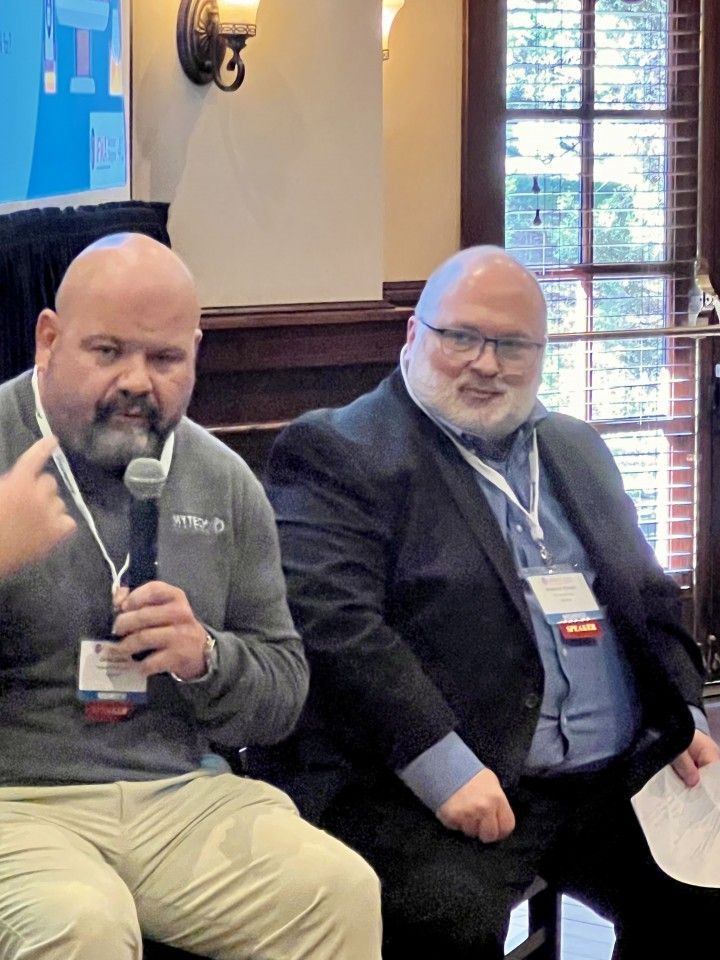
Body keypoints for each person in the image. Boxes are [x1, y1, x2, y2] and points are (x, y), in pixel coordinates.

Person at [258, 245, 720, 959]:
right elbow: (335, 626)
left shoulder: (574, 447)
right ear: (414, 334)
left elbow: (648, 596)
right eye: (462, 336)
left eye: (511, 344)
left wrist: (681, 710)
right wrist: (443, 767)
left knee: (703, 882)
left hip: (609, 774)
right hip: (430, 779)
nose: (486, 362)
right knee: (447, 916)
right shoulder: (339, 449)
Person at [0, 233, 381, 960]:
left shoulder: (224, 478)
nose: (139, 381)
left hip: (176, 795)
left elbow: (282, 694)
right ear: (49, 339)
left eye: (166, 358)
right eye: (108, 352)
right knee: (81, 924)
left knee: (337, 891)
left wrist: (206, 657)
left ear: (196, 356)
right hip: (16, 802)